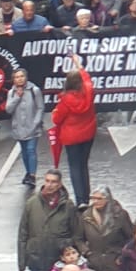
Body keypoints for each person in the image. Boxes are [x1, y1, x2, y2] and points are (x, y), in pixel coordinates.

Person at [17, 171, 82, 271]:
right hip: (37, 261)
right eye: (47, 181)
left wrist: (66, 246)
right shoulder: (31, 203)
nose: (49, 184)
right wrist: (22, 262)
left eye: (53, 181)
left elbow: (77, 233)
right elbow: (23, 234)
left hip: (59, 263)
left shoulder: (68, 206)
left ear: (60, 184)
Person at [49, 65, 97, 206]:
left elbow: (57, 119)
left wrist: (54, 113)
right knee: (83, 166)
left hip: (72, 137)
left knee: (74, 167)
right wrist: (78, 63)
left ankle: (80, 199)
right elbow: (87, 78)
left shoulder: (65, 100)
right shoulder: (88, 95)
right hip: (88, 134)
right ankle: (86, 197)